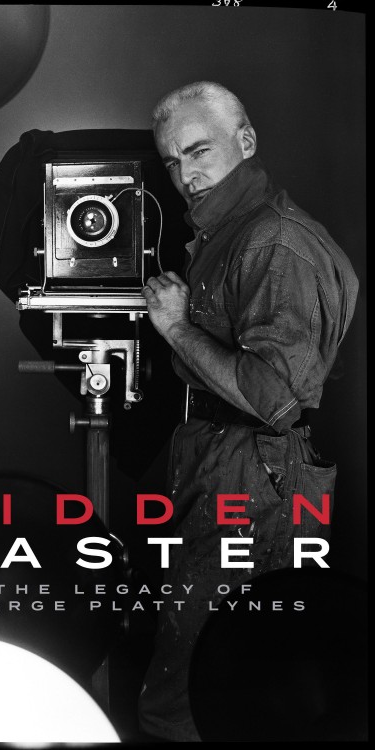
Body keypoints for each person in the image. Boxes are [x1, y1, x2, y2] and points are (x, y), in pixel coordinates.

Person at [138, 81, 359, 742]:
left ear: (246, 141)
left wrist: (175, 328)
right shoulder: (229, 233)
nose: (186, 174)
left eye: (199, 151)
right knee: (226, 682)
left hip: (254, 473)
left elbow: (273, 399)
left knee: (195, 688)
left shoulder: (274, 242)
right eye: (172, 161)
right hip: (224, 461)